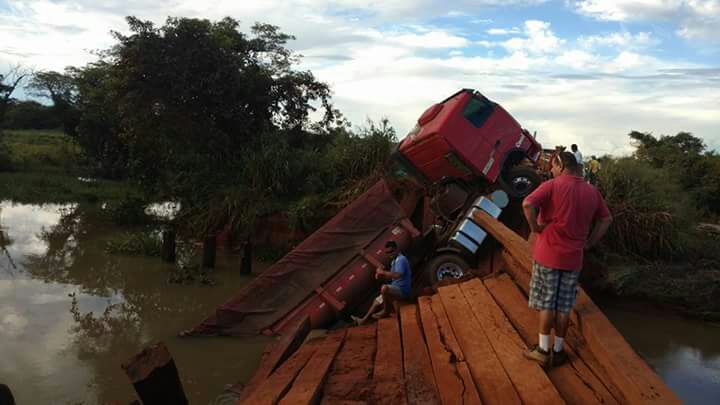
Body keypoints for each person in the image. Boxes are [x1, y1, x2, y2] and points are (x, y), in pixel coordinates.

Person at [521, 151, 612, 367]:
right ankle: (559, 351)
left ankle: (543, 350)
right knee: (563, 307)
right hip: (573, 259)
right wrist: (589, 243)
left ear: (560, 165)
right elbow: (606, 219)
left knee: (546, 304)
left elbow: (527, 204)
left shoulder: (552, 186)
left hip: (548, 256)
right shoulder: (592, 191)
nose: (551, 171)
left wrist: (535, 228)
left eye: (552, 167)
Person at [351, 240, 411, 325]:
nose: (390, 254)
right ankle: (363, 320)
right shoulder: (394, 261)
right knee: (376, 301)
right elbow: (391, 276)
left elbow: (397, 275)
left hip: (402, 290)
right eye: (387, 252)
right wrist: (380, 274)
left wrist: (382, 272)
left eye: (391, 251)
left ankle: (386, 311)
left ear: (396, 249)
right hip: (396, 288)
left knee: (384, 288)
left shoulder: (401, 259)